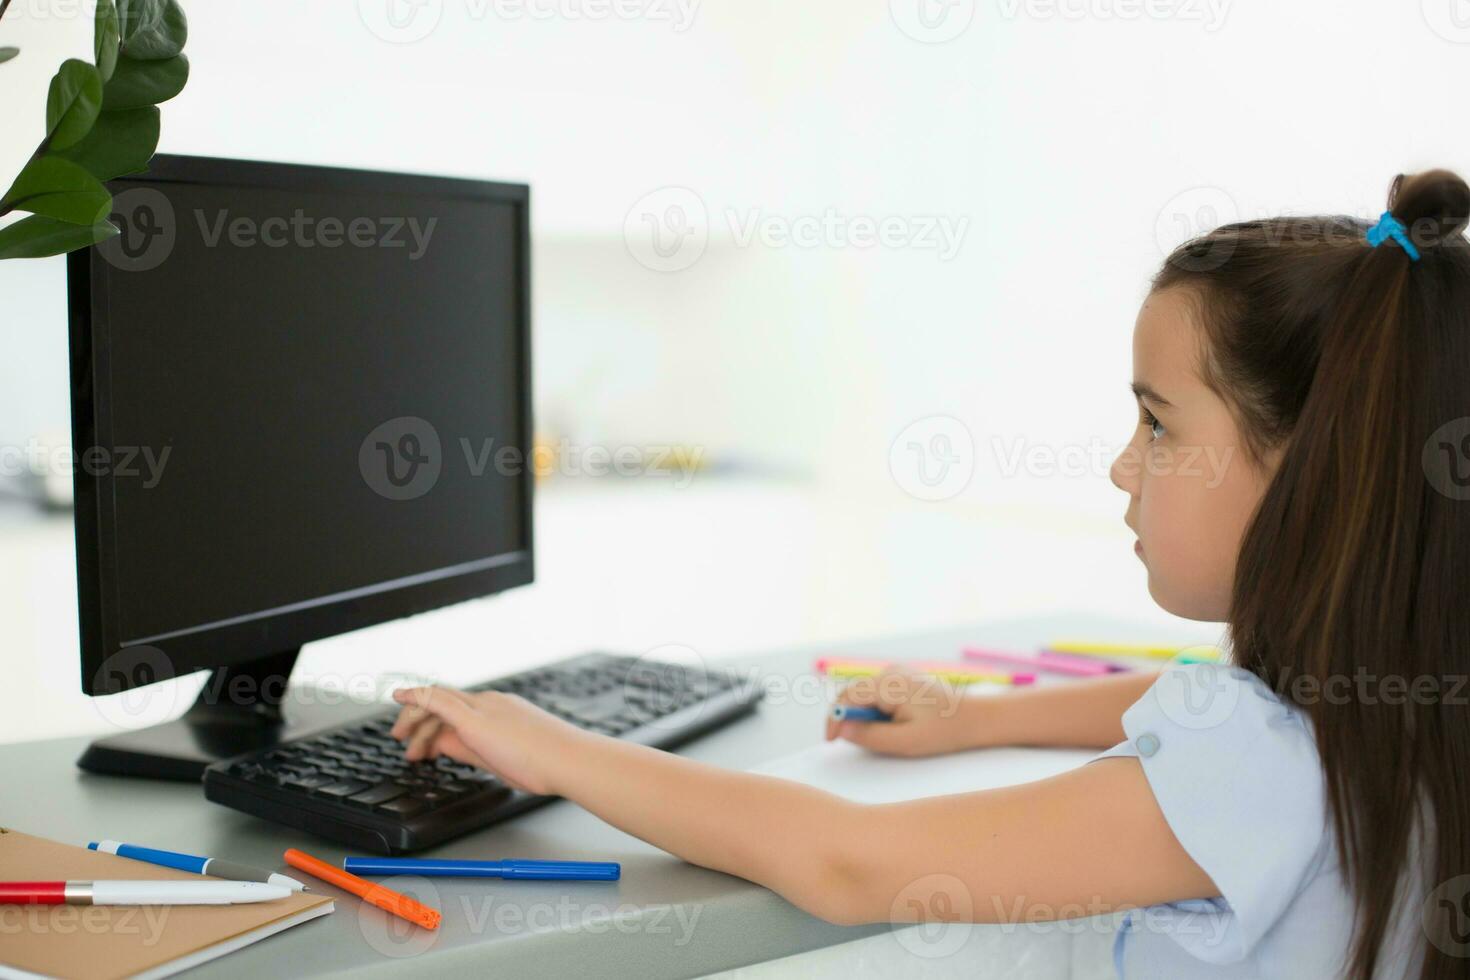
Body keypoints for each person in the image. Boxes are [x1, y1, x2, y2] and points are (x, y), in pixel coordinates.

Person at [393, 169, 1470, 979]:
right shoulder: (1381, 712)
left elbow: (844, 858)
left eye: (1156, 420)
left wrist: (556, 746)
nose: (1121, 462)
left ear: (1306, 466)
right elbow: (1177, 693)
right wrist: (971, 718)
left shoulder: (1256, 770)